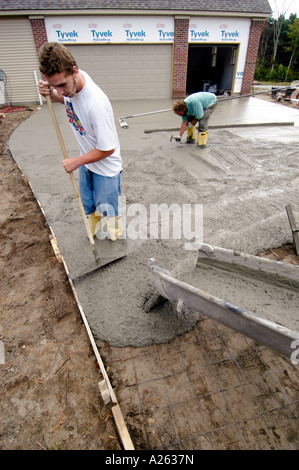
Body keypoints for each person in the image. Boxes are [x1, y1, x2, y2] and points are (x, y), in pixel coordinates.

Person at [38, 42, 122, 241]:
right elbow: (67, 99)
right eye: (54, 85)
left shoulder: (96, 104)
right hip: (88, 162)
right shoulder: (71, 83)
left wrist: (76, 162)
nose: (60, 90)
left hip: (106, 168)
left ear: (74, 71)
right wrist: (51, 94)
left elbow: (107, 148)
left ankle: (115, 240)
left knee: (106, 207)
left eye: (61, 85)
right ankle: (92, 235)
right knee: (88, 204)